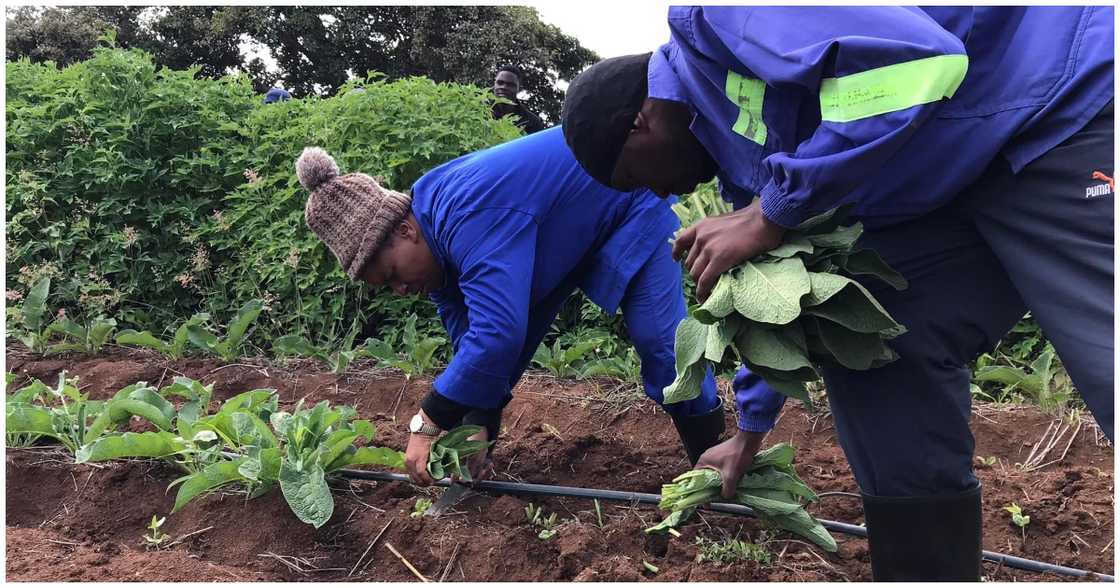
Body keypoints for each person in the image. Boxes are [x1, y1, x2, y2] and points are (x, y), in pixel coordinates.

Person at [560, 6, 1113, 581]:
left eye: (635, 177)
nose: (657, 193)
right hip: (949, 181)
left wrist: (772, 211)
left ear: (641, 123)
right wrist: (748, 433)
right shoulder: (735, 159)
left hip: (1056, 108)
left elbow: (924, 60)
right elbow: (784, 306)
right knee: (872, 347)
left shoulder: (716, 19)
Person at [295, 126, 763, 483]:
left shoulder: (467, 214)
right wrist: (477, 424)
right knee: (492, 350)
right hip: (556, 241)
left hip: (626, 202)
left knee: (661, 345)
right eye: (387, 287)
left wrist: (429, 420)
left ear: (404, 230)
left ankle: (715, 466)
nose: (400, 289)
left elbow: (497, 335)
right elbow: (474, 345)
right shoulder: (433, 250)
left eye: (392, 274)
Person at [491, 65, 546, 134]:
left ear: (519, 89)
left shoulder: (532, 122)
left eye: (510, 85)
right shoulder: (480, 110)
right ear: (494, 84)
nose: (503, 87)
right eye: (500, 83)